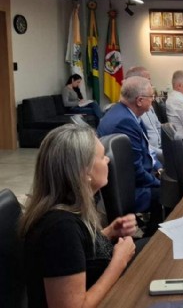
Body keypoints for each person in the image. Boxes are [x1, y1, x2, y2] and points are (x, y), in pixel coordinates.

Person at [21, 124, 136, 308]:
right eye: (102, 156)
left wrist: (109, 232)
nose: (107, 160)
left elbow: (77, 253)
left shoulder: (69, 210)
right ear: (85, 172)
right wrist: (119, 261)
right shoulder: (59, 229)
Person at [97, 76, 163, 232]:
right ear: (139, 100)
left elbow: (146, 150)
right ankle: (155, 237)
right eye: (151, 97)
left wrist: (158, 168)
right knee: (166, 191)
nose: (153, 101)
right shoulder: (125, 122)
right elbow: (136, 171)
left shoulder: (125, 113)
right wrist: (158, 182)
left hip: (126, 178)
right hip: (126, 188)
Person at [125, 66, 183, 185]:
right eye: (148, 80)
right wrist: (167, 151)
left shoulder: (148, 105)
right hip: (155, 151)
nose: (151, 83)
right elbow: (145, 145)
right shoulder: (134, 111)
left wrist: (170, 145)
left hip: (162, 145)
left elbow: (159, 126)